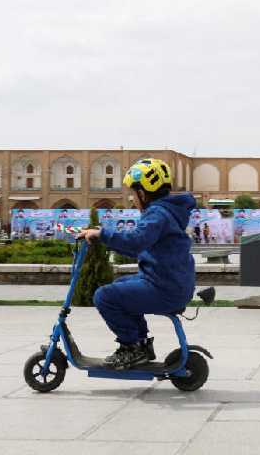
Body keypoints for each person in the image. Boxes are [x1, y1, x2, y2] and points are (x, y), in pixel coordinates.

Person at [77, 158, 196, 370]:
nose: (133, 199)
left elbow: (136, 242)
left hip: (164, 288)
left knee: (104, 296)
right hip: (169, 283)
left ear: (143, 192)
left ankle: (131, 347)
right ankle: (140, 344)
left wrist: (102, 234)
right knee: (121, 286)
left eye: (134, 193)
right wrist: (102, 237)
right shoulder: (166, 211)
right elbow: (137, 243)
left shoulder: (157, 214)